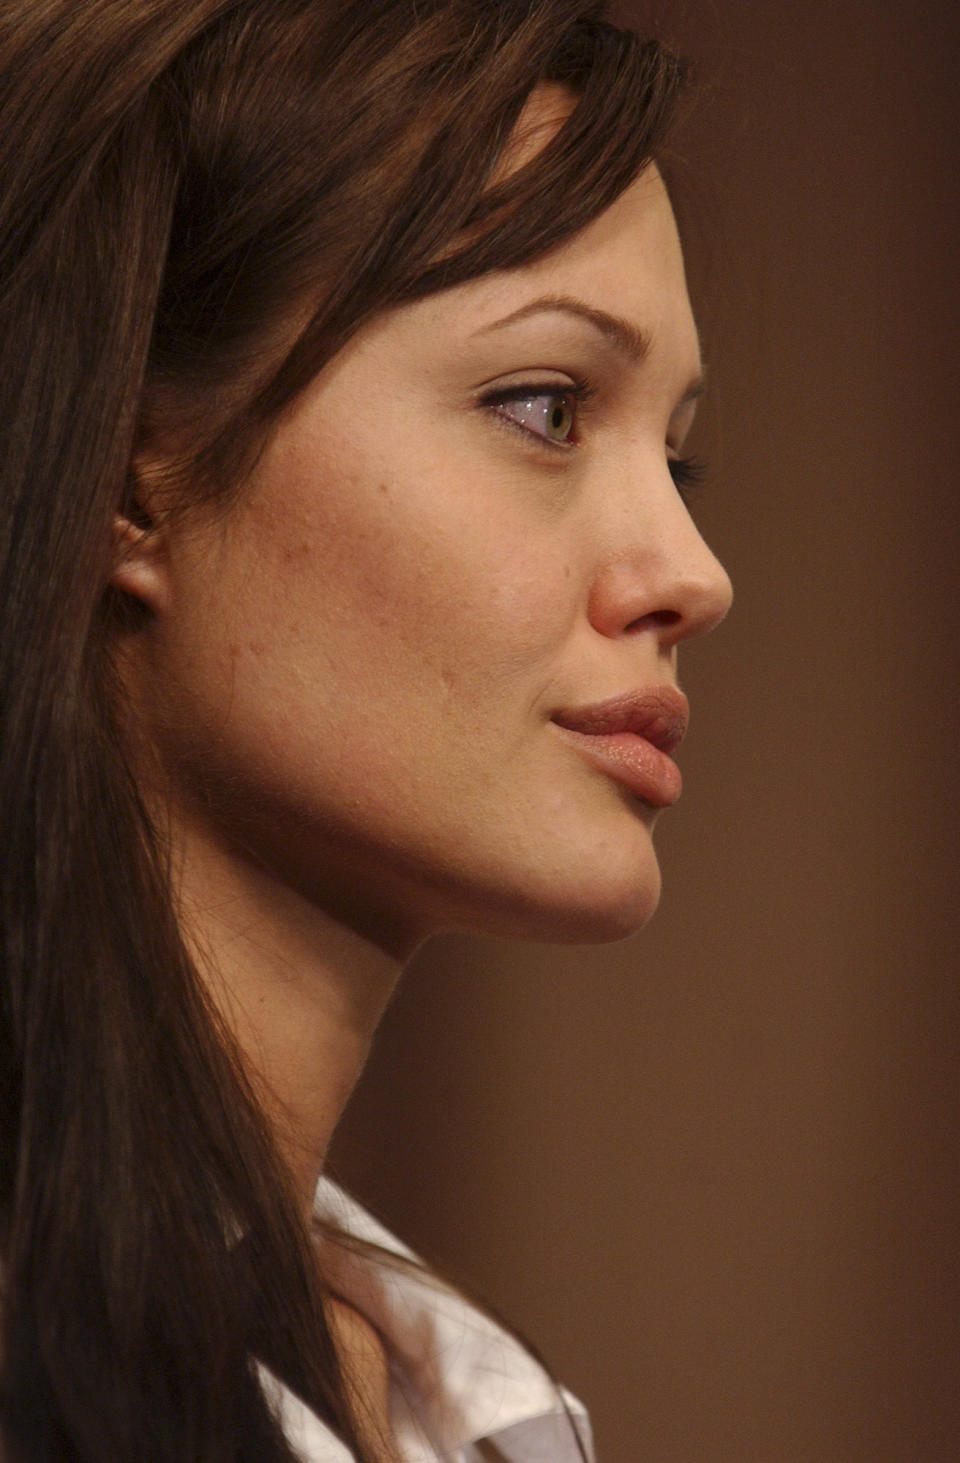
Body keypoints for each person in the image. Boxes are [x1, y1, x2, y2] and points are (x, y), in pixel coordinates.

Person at [0, 0, 733, 1458]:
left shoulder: (453, 1402)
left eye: (681, 454)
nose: (694, 576)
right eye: (544, 406)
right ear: (128, 473)